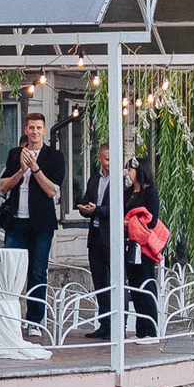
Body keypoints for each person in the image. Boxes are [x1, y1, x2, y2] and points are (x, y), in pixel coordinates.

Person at [0, 112, 64, 333]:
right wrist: (21, 171)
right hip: (16, 221)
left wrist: (35, 168)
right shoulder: (15, 154)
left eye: (38, 128)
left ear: (44, 131)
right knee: (11, 270)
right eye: (31, 128)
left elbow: (52, 191)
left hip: (41, 224)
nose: (34, 131)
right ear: (25, 130)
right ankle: (10, 319)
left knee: (37, 272)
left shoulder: (54, 156)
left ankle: (35, 320)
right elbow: (4, 186)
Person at [75, 145, 115, 341]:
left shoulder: (121, 180)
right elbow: (86, 200)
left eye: (112, 159)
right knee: (99, 282)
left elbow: (119, 208)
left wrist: (97, 209)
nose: (109, 164)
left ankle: (117, 324)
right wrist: (83, 208)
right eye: (106, 159)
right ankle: (104, 323)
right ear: (99, 158)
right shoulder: (94, 179)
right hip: (96, 235)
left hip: (112, 236)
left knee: (114, 281)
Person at [124, 156, 162, 339]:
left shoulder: (150, 193)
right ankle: (140, 330)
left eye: (130, 169)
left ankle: (151, 330)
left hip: (144, 247)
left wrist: (131, 221)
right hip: (130, 244)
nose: (128, 173)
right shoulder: (129, 192)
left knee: (146, 285)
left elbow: (152, 220)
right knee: (134, 287)